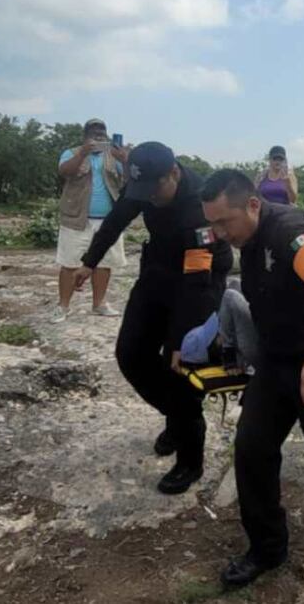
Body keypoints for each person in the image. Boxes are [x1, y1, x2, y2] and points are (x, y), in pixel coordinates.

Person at [200, 169, 304, 588]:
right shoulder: (248, 237)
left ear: (253, 205)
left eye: (225, 222)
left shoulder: (293, 231)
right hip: (276, 361)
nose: (219, 233)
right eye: (213, 223)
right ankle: (267, 546)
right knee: (252, 449)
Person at [73, 142, 232, 494]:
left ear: (173, 173)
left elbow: (196, 284)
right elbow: (117, 219)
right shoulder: (146, 184)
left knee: (178, 367)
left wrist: (180, 341)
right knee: (130, 354)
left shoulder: (198, 209)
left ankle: (190, 456)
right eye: (142, 191)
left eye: (156, 190)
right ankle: (179, 419)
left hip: (199, 279)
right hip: (159, 269)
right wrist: (90, 261)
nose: (150, 199)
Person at [52, 118, 128, 323]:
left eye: (101, 132)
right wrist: (83, 152)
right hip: (76, 218)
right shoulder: (71, 152)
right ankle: (63, 306)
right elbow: (65, 172)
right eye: (94, 132)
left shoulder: (114, 154)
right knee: (69, 263)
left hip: (109, 221)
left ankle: (99, 304)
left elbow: (129, 179)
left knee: (104, 264)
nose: (98, 136)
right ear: (85, 135)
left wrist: (125, 159)